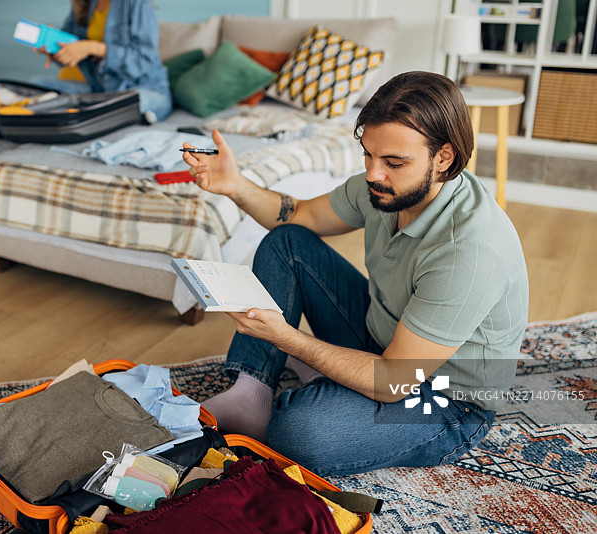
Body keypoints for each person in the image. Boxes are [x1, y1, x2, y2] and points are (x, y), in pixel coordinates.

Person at [182, 71, 529, 477]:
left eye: (393, 162)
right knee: (288, 242)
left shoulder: (470, 250)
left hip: (446, 399)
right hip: (382, 337)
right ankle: (250, 393)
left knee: (297, 434)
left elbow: (395, 380)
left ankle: (327, 376)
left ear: (444, 158)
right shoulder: (384, 187)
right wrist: (236, 185)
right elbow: (299, 215)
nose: (372, 174)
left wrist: (287, 338)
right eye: (368, 154)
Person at [29, 0, 172, 123]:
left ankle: (91, 112)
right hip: (99, 90)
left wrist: (92, 47)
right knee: (36, 84)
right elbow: (71, 52)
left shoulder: (137, 2)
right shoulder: (83, 4)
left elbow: (143, 59)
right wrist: (55, 48)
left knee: (126, 104)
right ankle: (93, 112)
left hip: (144, 89)